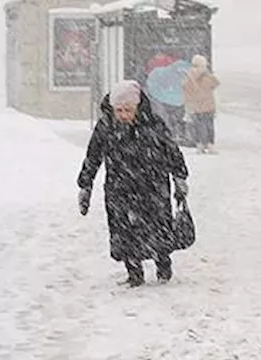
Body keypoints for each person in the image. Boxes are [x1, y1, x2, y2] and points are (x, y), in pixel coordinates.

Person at [77, 80, 190, 287]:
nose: (123, 115)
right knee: (123, 231)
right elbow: (93, 157)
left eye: (128, 110)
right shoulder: (105, 126)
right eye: (118, 110)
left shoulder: (154, 124)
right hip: (119, 188)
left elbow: (172, 151)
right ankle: (134, 273)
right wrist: (85, 186)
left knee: (158, 228)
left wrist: (180, 177)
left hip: (153, 187)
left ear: (138, 107)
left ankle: (163, 265)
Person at [183, 55, 220, 154]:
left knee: (199, 126)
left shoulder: (189, 75)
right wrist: (209, 74)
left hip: (196, 105)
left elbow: (185, 88)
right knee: (209, 125)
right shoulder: (206, 75)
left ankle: (200, 144)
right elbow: (216, 83)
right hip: (208, 104)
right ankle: (210, 144)